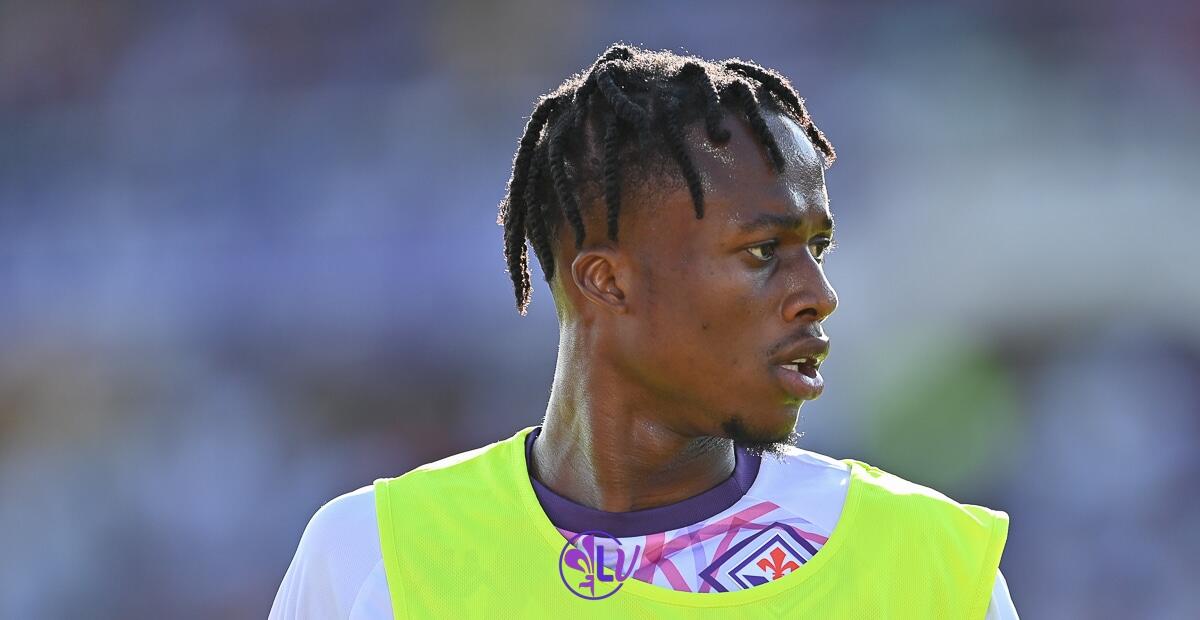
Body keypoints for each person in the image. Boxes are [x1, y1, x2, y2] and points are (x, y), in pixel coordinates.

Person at [269, 44, 1018, 618]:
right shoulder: (374, 558)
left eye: (815, 249)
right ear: (608, 279)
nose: (818, 296)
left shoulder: (937, 570)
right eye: (763, 252)